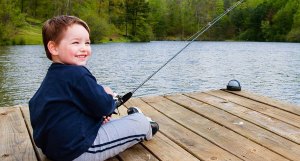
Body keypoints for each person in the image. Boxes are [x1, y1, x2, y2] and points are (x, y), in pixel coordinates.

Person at [29, 15, 159, 161]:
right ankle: (142, 122)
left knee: (103, 108)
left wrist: (97, 113)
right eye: (76, 42)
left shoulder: (53, 76)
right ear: (53, 47)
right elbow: (104, 106)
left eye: (87, 43)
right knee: (140, 124)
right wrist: (109, 97)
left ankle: (131, 118)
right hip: (79, 152)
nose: (84, 48)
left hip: (53, 150)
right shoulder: (78, 73)